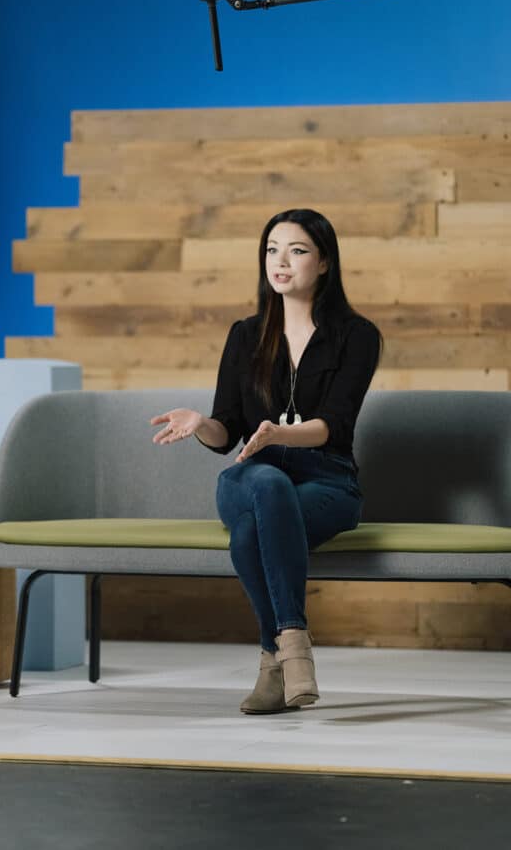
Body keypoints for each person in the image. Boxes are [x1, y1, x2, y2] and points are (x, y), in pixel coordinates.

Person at [150, 208, 383, 714]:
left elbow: (335, 425)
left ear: (324, 263)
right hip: (249, 478)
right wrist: (200, 423)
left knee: (252, 534)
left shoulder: (357, 336)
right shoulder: (245, 335)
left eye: (297, 250)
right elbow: (225, 431)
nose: (281, 261)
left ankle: (272, 662)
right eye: (272, 249)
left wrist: (280, 433)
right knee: (267, 483)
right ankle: (295, 642)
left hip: (329, 481)